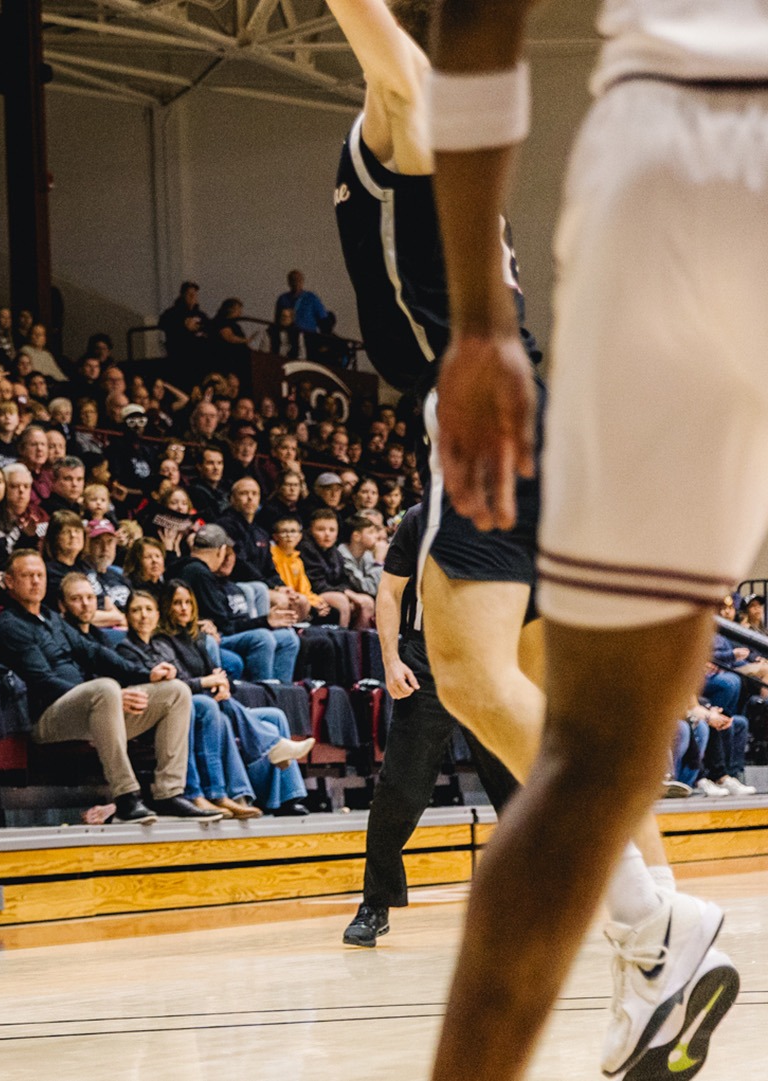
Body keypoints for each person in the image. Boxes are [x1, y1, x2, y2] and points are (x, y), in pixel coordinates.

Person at [331, 0, 732, 1074]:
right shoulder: (426, 120)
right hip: (550, 407)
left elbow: (407, 75)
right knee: (566, 731)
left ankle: (653, 925)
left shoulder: (404, 101)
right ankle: (656, 969)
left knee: (462, 671)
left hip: (472, 395)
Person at [345, 506, 518, 948]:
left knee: (516, 789)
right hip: (426, 659)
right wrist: (391, 659)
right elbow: (389, 592)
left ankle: (538, 901)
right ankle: (375, 904)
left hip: (491, 661)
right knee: (400, 789)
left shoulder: (512, 518)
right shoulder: (419, 519)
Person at [0, 550, 213, 826]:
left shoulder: (51, 618)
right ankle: (127, 797)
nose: (36, 582)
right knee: (106, 688)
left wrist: (148, 674)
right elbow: (42, 682)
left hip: (93, 710)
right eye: (27, 576)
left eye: (40, 575)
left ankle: (168, 792)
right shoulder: (10, 625)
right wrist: (106, 697)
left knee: (175, 690)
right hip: (48, 719)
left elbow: (94, 653)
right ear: (9, 582)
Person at [158, 581, 313, 814]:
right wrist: (209, 685)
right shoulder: (163, 641)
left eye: (188, 603)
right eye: (177, 603)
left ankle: (286, 798)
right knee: (219, 712)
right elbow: (177, 684)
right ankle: (269, 751)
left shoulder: (196, 638)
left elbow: (217, 674)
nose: (183, 608)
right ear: (166, 607)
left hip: (215, 700)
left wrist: (224, 687)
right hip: (193, 706)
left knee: (275, 716)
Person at [113, 588, 260, 820]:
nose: (143, 615)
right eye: (136, 610)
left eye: (148, 609)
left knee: (215, 712)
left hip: (176, 706)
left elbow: (182, 680)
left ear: (157, 615)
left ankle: (218, 794)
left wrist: (216, 684)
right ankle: (194, 793)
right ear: (127, 617)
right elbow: (153, 684)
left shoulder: (159, 647)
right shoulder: (125, 649)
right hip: (146, 715)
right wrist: (203, 682)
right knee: (199, 706)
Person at [174, 526, 300, 682]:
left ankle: (283, 692)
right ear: (221, 551)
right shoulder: (199, 574)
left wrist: (265, 621)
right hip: (211, 637)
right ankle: (264, 692)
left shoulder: (196, 570)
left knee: (289, 638)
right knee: (262, 637)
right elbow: (225, 627)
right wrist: (265, 621)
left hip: (219, 633)